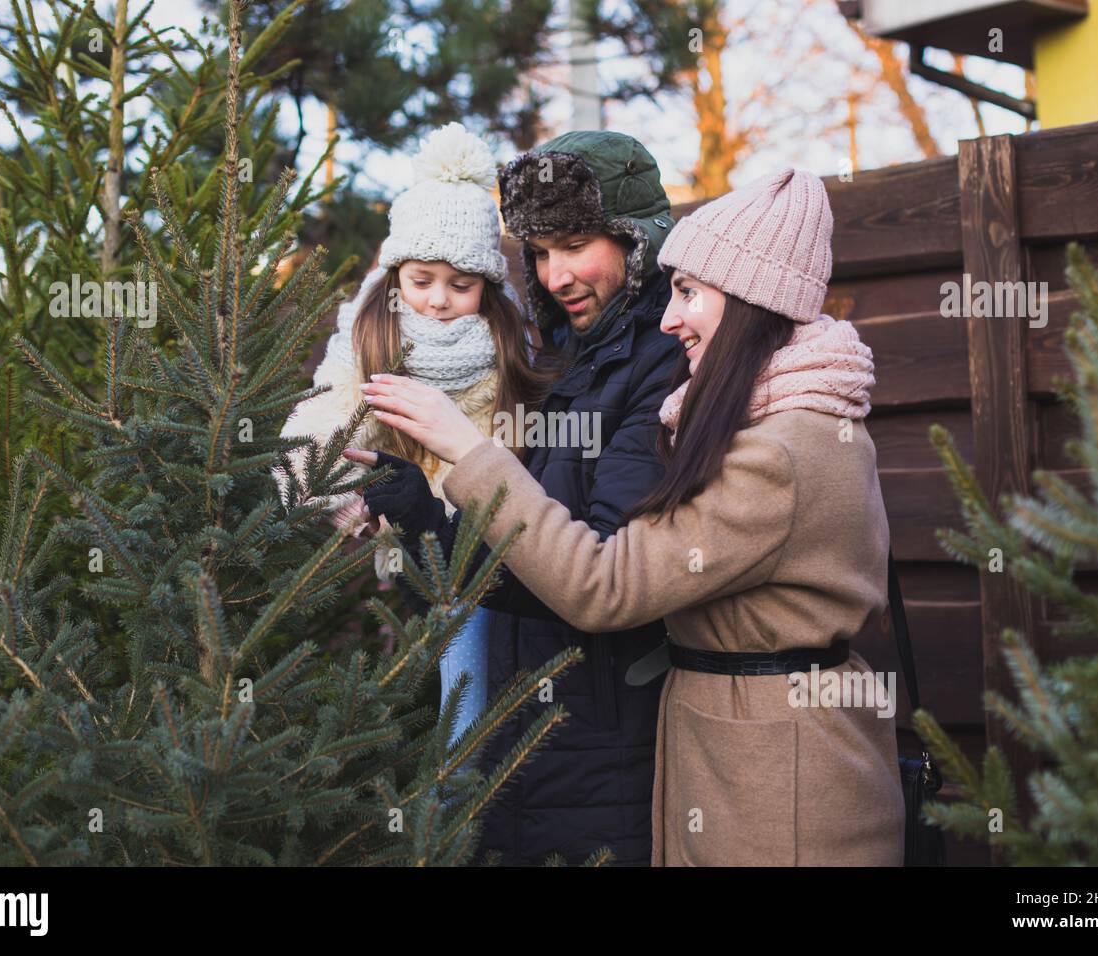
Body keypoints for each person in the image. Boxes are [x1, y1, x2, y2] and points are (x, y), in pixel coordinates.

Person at [351, 168, 906, 865]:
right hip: (726, 754)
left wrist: (464, 450)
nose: (670, 320)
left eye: (688, 294)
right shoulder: (737, 416)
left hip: (777, 780)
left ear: (751, 299)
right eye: (540, 254)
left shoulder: (778, 451)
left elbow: (606, 585)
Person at [350, 131, 684, 866]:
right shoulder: (557, 358)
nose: (555, 273)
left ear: (636, 239)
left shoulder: (664, 366)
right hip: (515, 726)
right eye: (537, 251)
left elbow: (597, 573)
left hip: (602, 746)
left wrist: (465, 451)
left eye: (573, 244)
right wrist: (410, 506)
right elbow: (503, 557)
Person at [274, 122, 551, 745]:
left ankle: (462, 786)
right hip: (391, 533)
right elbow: (327, 416)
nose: (438, 301)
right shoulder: (371, 333)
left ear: (486, 284)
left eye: (461, 285)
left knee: (468, 673)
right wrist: (331, 491)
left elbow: (504, 451)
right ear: (397, 272)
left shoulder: (503, 343)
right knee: (399, 672)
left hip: (473, 545)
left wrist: (457, 523)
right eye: (421, 281)